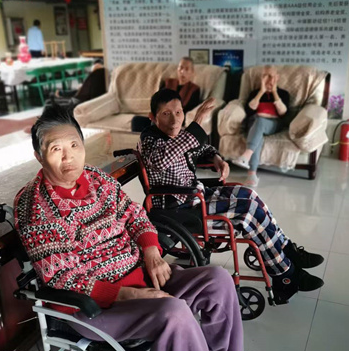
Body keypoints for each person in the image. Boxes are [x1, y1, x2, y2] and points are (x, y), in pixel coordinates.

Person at [14, 104, 288, 351]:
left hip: (140, 274)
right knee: (174, 313)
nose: (68, 156)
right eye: (56, 149)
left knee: (217, 280)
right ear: (40, 156)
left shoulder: (98, 179)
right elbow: (60, 277)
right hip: (95, 308)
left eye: (74, 145)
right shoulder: (34, 206)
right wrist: (126, 294)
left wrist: (152, 252)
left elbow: (135, 215)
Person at [138, 88, 325, 306]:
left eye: (178, 112)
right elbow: (164, 158)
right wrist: (197, 122)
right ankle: (285, 275)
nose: (174, 120)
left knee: (249, 194)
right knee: (248, 212)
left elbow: (201, 147)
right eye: (166, 114)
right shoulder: (150, 140)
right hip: (178, 207)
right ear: (153, 117)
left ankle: (287, 250)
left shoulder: (178, 135)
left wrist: (217, 158)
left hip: (194, 196)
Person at [232, 66, 291, 187]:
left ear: (277, 78)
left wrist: (274, 92)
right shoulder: (254, 93)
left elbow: (283, 113)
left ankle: (247, 155)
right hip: (255, 123)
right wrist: (261, 92)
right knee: (258, 134)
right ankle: (252, 175)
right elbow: (249, 110)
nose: (268, 79)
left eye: (271, 76)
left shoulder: (283, 94)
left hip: (273, 123)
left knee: (260, 122)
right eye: (265, 76)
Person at [131, 57, 201, 132]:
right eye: (181, 68)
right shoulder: (168, 83)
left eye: (186, 69)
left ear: (192, 72)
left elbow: (188, 111)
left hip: (175, 120)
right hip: (160, 116)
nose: (182, 71)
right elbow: (157, 101)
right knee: (136, 121)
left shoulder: (194, 89)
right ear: (177, 69)